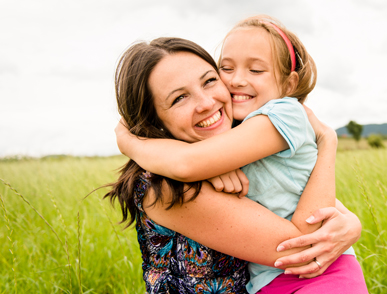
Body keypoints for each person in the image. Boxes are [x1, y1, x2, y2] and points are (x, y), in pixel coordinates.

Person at [115, 16, 368, 293]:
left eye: (210, 80)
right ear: (154, 120)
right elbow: (304, 244)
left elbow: (301, 194)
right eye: (179, 98)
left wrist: (351, 224)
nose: (207, 102)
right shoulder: (165, 186)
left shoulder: (250, 132)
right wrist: (129, 141)